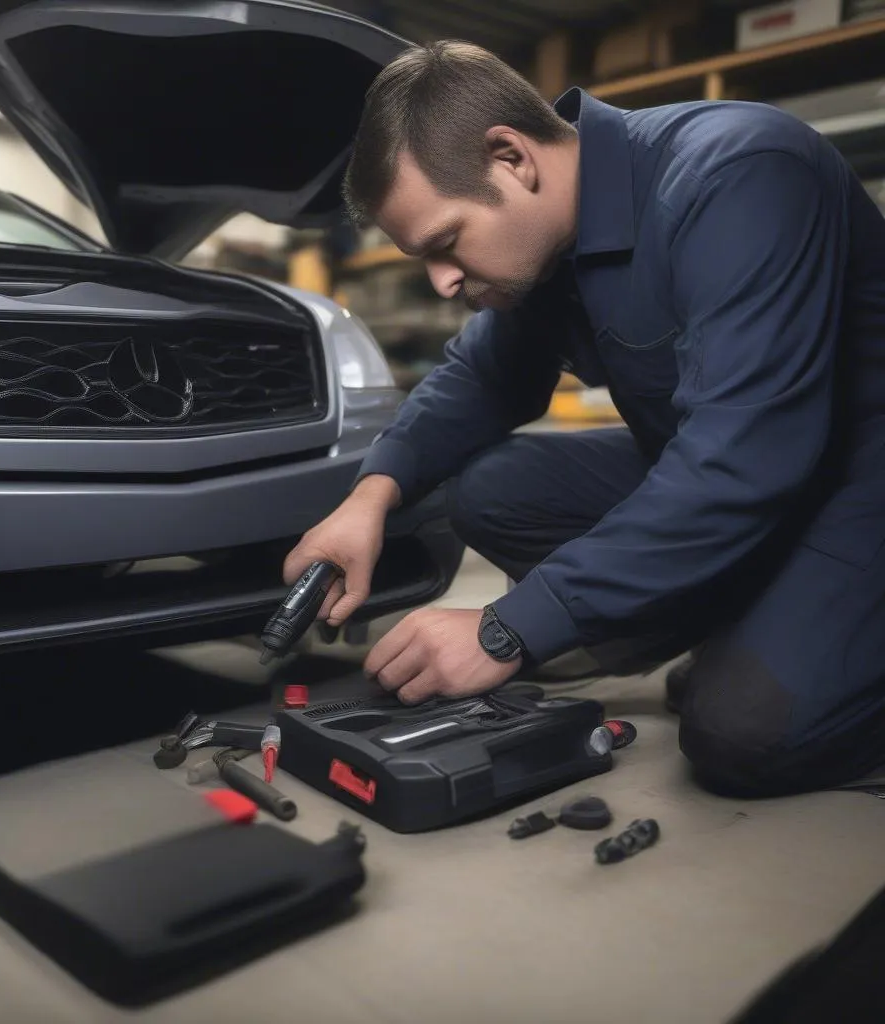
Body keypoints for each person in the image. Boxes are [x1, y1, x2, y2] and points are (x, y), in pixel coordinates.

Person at [283, 40, 885, 798]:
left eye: (444, 244)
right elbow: (480, 377)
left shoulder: (737, 173)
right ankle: (764, 625)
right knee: (493, 488)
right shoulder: (550, 239)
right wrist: (368, 500)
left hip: (857, 482)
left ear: (511, 157)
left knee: (742, 734)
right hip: (748, 476)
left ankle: (807, 647)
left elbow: (742, 462)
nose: (441, 282)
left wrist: (508, 628)